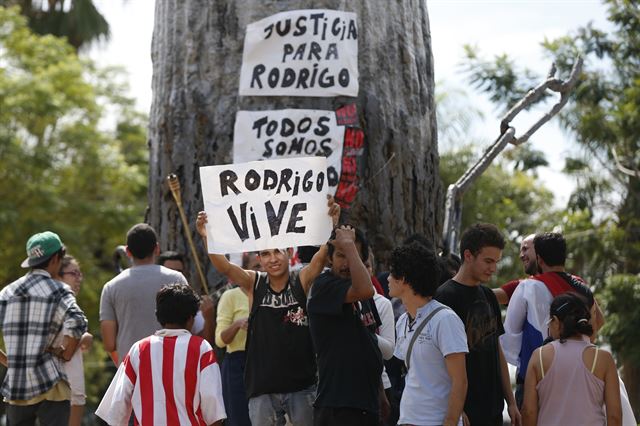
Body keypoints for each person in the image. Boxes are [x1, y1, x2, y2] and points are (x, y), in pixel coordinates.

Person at [196, 196, 340, 426]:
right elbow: (224, 266)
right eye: (265, 254)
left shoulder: (300, 279)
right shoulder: (254, 282)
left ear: (288, 253)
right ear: (260, 260)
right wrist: (207, 237)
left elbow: (320, 259)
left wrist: (331, 224)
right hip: (262, 388)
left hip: (302, 386)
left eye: (277, 251)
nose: (272, 258)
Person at [96, 283, 226, 426]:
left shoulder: (139, 349)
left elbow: (117, 405)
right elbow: (211, 401)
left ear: (158, 315)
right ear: (191, 318)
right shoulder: (202, 348)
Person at [434, 223, 521, 426]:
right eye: (488, 261)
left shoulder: (489, 296)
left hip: (493, 408)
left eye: (496, 262)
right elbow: (438, 360)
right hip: (463, 412)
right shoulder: (445, 297)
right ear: (468, 255)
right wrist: (456, 407)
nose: (493, 268)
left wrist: (511, 401)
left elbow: (496, 348)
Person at [500, 232, 599, 408]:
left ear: (539, 258)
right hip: (577, 375)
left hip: (536, 375)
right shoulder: (582, 288)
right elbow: (596, 326)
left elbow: (509, 336)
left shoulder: (526, 287)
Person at [0, 231, 88, 426]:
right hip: (51, 383)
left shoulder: (7, 292)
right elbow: (78, 321)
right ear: (56, 258)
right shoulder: (59, 290)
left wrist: (9, 361)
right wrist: (66, 353)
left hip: (17, 387)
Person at [307, 225, 384, 426]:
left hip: (366, 404)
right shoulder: (324, 286)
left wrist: (380, 393)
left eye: (354, 256)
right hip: (338, 407)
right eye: (342, 255)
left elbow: (370, 342)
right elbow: (366, 289)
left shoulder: (361, 291)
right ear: (330, 258)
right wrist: (349, 245)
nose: (347, 263)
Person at [389, 242, 468, 426]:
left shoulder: (445, 319)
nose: (388, 279)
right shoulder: (402, 321)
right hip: (407, 419)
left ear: (405, 279)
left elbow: (460, 381)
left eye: (393, 273)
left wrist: (451, 421)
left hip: (436, 421)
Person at [521, 293, 621, 426]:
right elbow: (614, 416)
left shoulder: (539, 356)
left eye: (549, 323)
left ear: (556, 322)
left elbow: (528, 412)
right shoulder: (604, 359)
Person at [100, 223, 187, 365]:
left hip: (132, 369)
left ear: (128, 252)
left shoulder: (111, 287)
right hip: (172, 365)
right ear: (157, 249)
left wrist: (122, 367)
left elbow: (109, 344)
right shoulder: (177, 279)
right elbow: (189, 324)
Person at [56, 255, 93, 426]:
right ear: (58, 275)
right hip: (60, 391)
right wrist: (83, 337)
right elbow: (61, 349)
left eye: (80, 274)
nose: (79, 278)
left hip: (75, 391)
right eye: (74, 273)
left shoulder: (72, 306)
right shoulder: (57, 306)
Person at [157, 250, 215, 343]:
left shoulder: (188, 304)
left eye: (178, 272)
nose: (174, 277)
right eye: (170, 272)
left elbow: (206, 341)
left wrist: (208, 318)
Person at [215, 285, 251, 426]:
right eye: (255, 266)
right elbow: (220, 341)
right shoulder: (230, 296)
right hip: (237, 366)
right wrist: (237, 324)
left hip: (266, 364)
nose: (261, 269)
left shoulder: (273, 294)